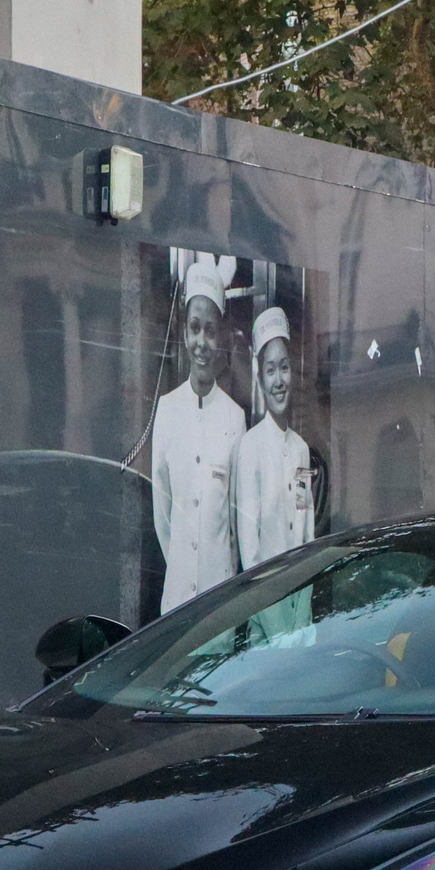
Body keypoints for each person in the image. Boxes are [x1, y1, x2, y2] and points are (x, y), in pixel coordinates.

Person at [150, 256, 244, 612]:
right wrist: (184, 565)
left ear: (221, 337)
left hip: (218, 600)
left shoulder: (235, 419)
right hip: (176, 599)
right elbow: (163, 516)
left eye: (210, 330)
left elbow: (235, 525)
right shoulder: (167, 410)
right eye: (195, 328)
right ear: (185, 333)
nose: (202, 341)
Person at [232, 306, 315, 569]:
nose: (279, 380)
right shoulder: (250, 446)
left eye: (284, 368)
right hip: (266, 602)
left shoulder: (301, 449)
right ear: (260, 380)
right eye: (270, 371)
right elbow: (249, 545)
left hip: (300, 599)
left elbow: (307, 527)